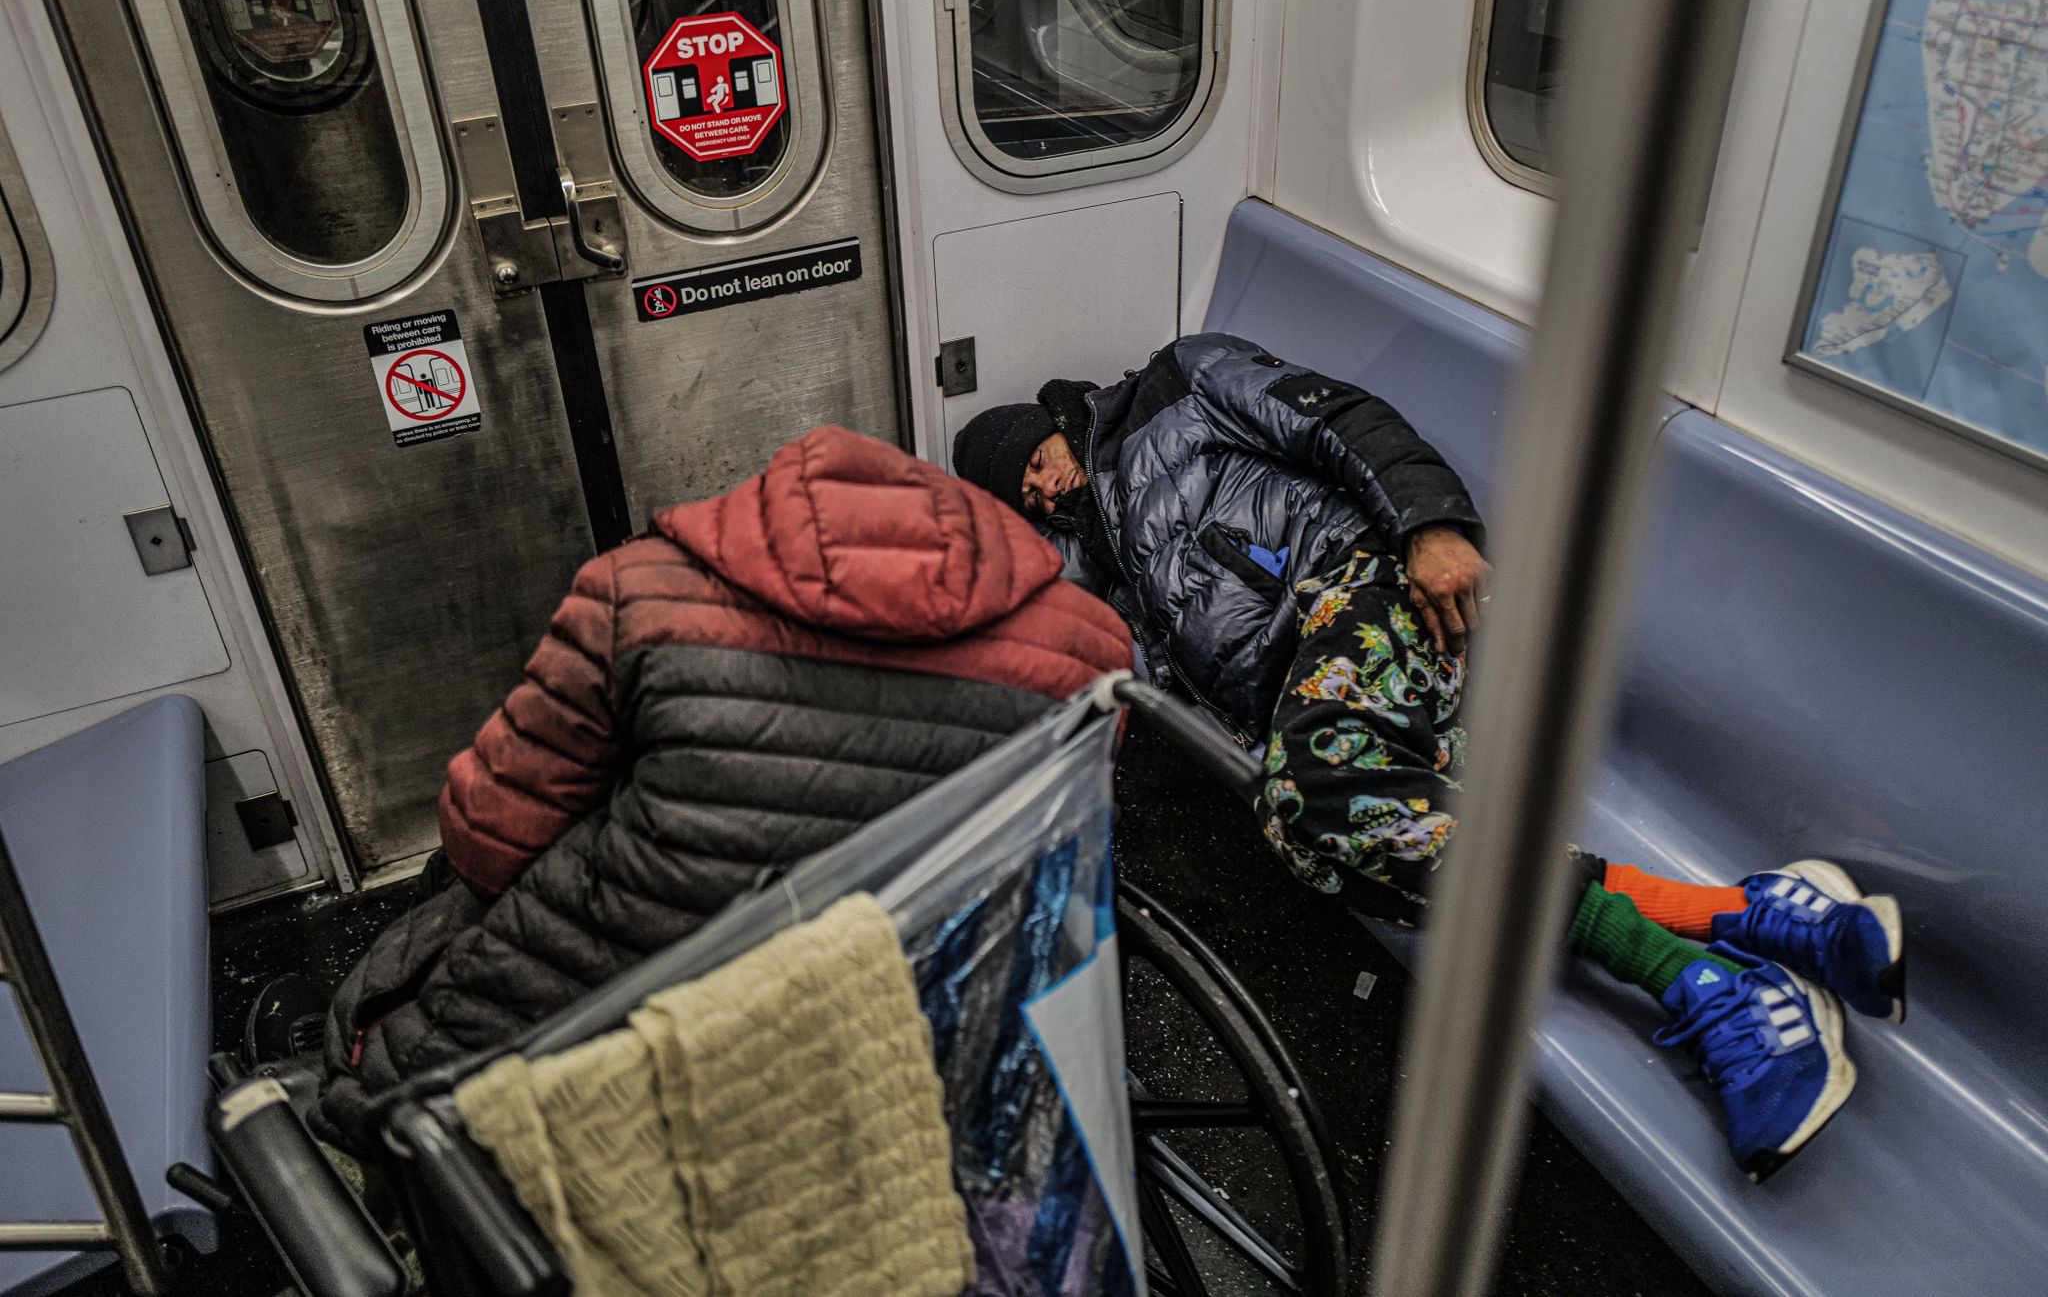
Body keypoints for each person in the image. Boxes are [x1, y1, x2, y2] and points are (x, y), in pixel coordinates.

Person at [952, 332, 1905, 1181]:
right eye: (1022, 495)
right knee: (1327, 832)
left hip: (1364, 584)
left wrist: (1428, 522)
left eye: (1030, 461)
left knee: (1309, 804)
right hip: (1317, 700)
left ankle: (1707, 987)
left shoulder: (1176, 386)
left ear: (1054, 423)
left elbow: (1334, 418)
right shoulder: (1105, 570)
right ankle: (1756, 918)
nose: (1039, 487)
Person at [289, 426, 1133, 1150]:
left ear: (766, 509)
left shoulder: (635, 595)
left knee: (386, 1040)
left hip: (680, 995)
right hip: (942, 987)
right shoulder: (1094, 643)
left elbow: (488, 842)